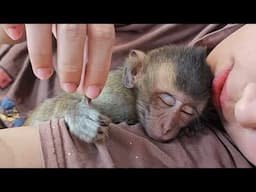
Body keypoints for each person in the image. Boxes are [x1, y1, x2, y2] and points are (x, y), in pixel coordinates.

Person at [0, 24, 254, 168]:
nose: (167, 126)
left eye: (187, 113)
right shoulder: (121, 93)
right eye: (165, 101)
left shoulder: (202, 153)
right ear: (134, 72)